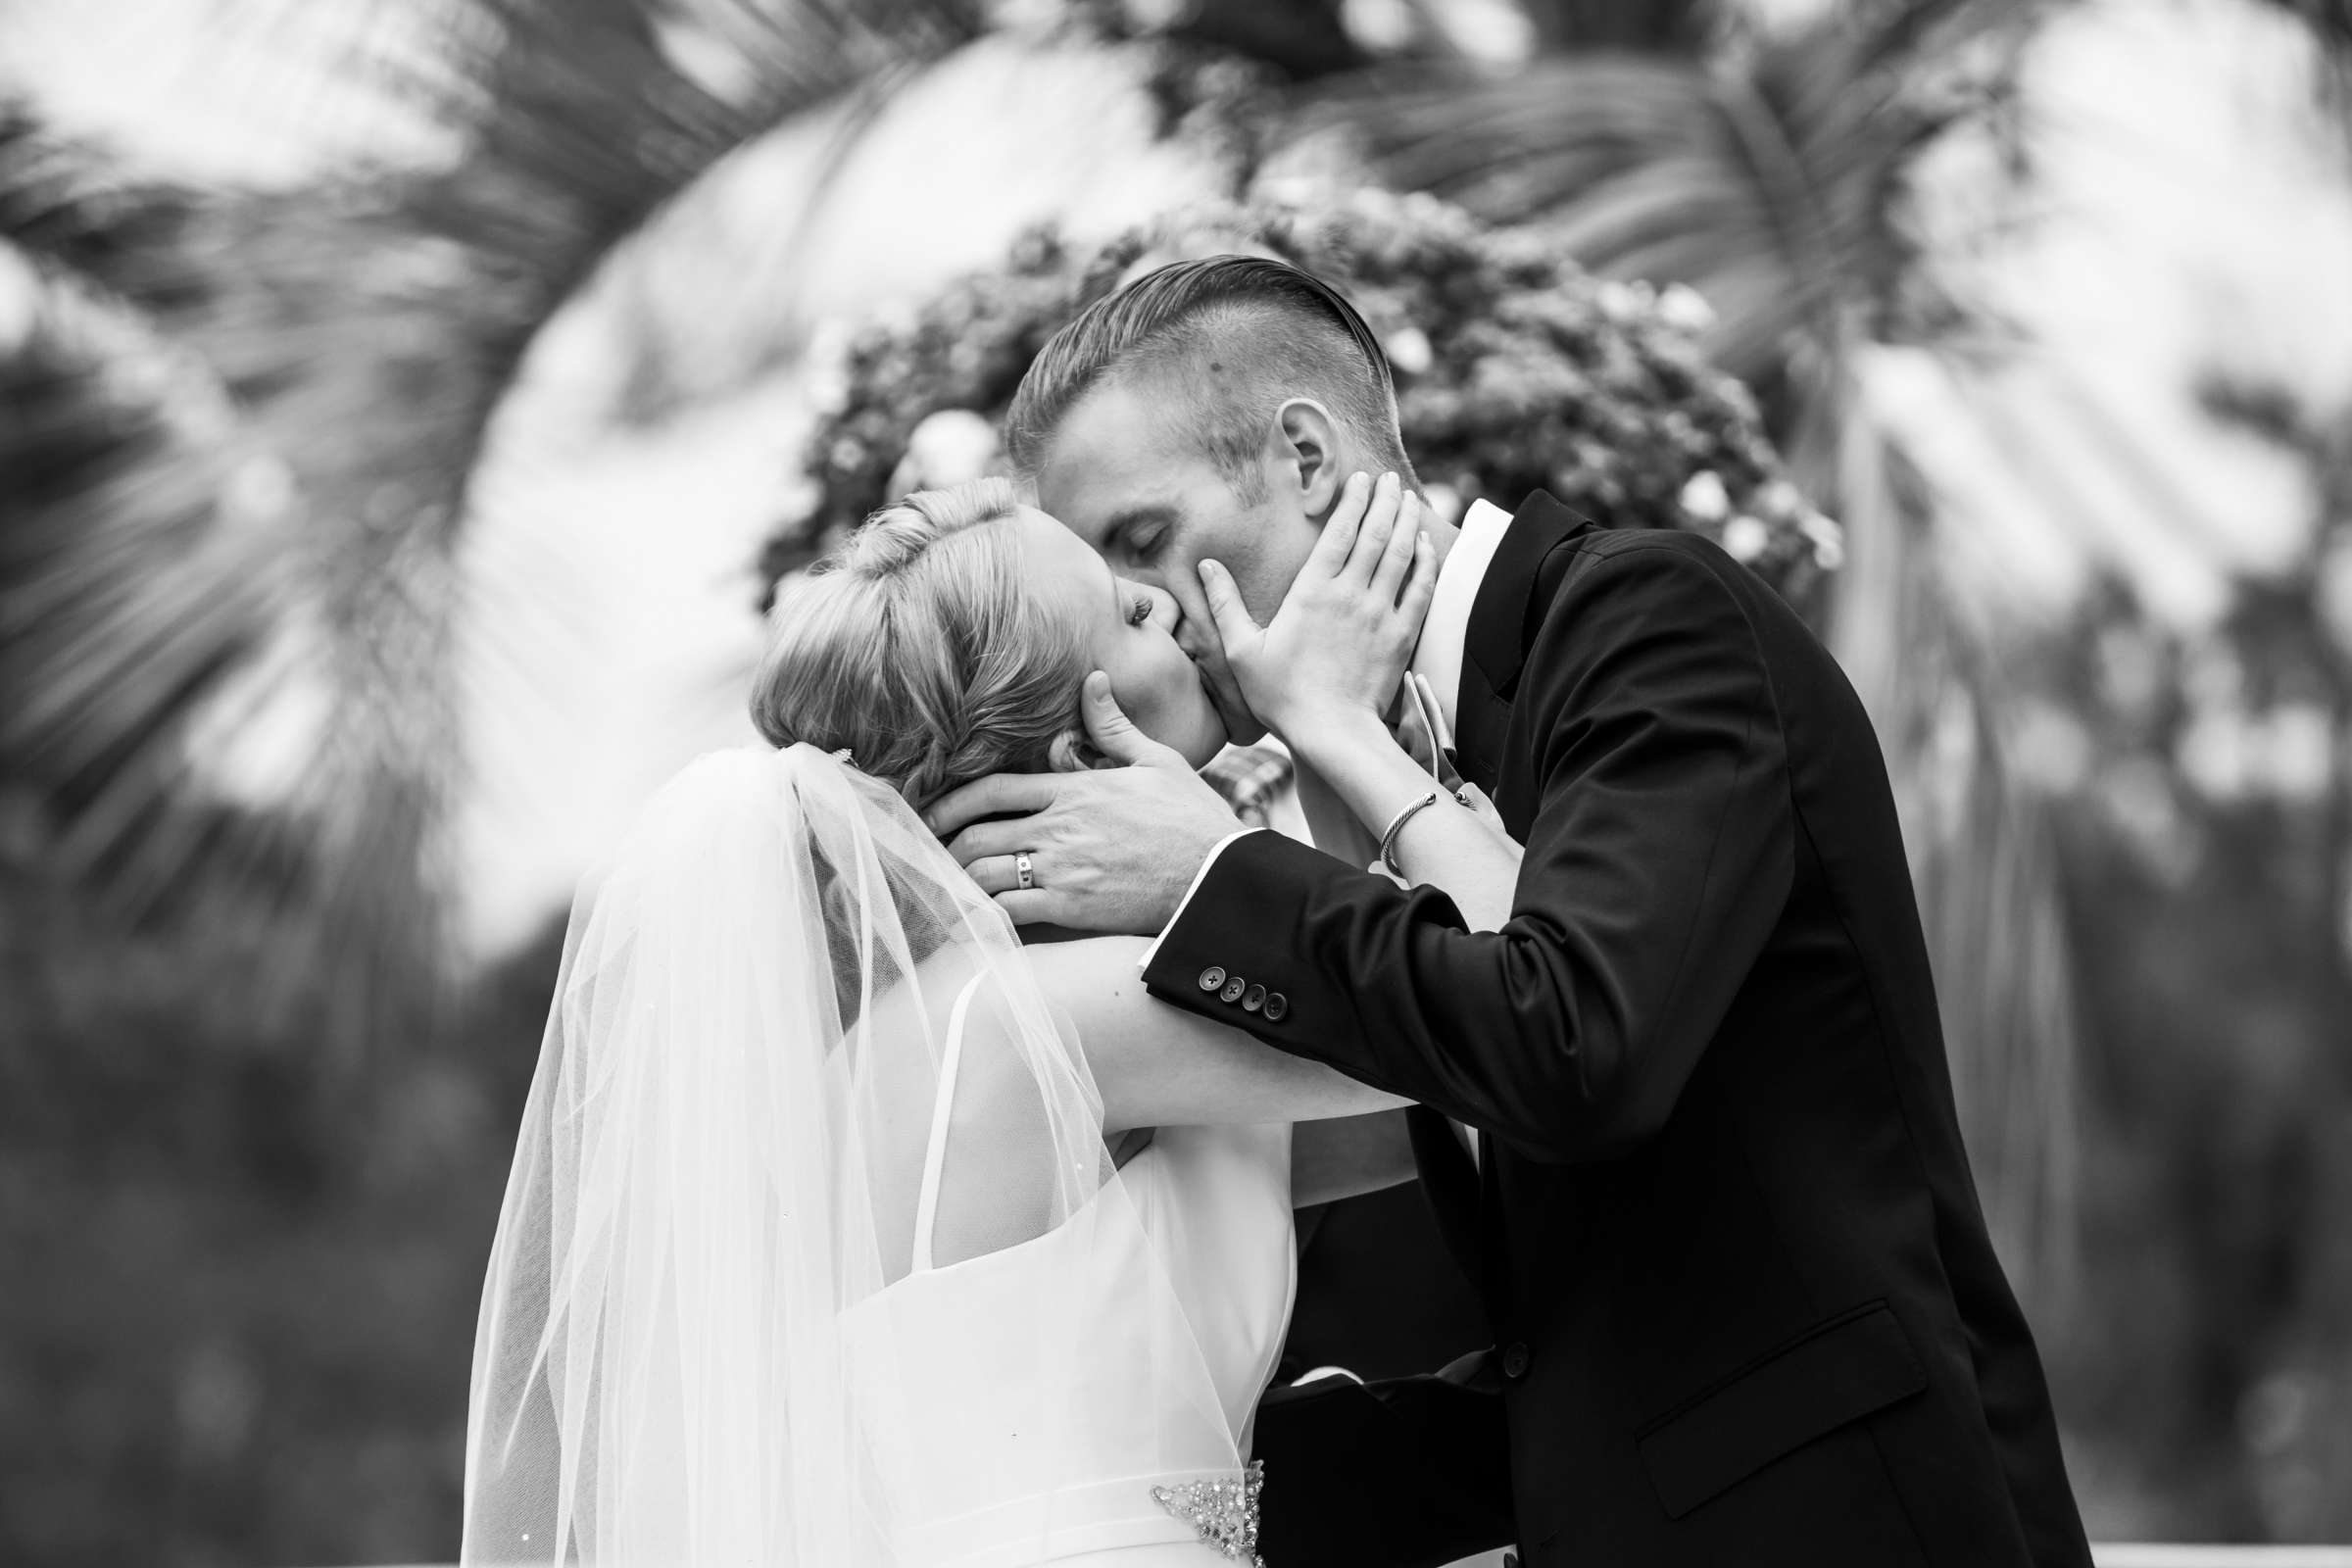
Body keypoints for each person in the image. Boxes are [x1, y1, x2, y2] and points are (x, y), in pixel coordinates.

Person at [926, 256, 2096, 1568]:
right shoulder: (1368, 779)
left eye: (1141, 542)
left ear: (1306, 461)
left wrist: (1216, 868)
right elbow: (1594, 1322)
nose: (1130, 613)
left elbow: (1577, 1049)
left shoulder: (1651, 622)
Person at [459, 476, 1464, 1568]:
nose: (1165, 605)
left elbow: (1418, 1114)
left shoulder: (958, 1037)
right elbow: (1461, 1023)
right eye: (1129, 613)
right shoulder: (1055, 1019)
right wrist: (1331, 712)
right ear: (1085, 758)